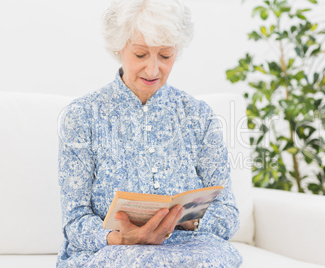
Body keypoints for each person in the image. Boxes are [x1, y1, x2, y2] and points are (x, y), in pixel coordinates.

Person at [56, 0, 242, 267]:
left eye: (165, 56)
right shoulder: (82, 116)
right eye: (141, 55)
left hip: (190, 249)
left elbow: (228, 215)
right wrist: (120, 238)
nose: (153, 70)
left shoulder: (199, 116)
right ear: (119, 47)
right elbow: (74, 221)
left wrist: (187, 220)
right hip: (114, 251)